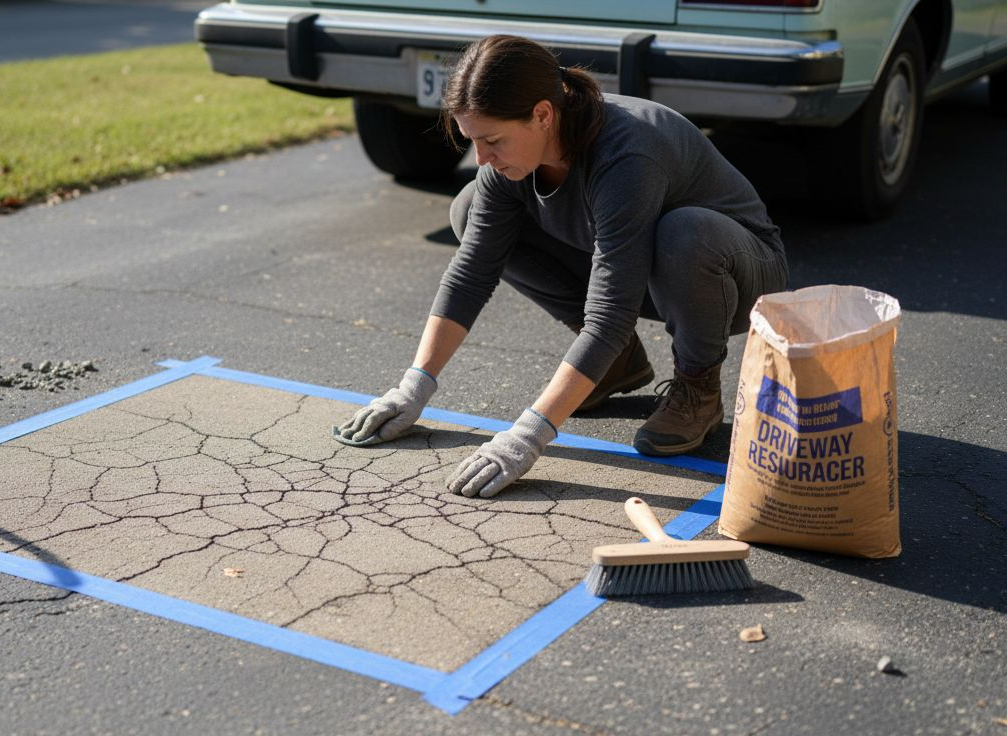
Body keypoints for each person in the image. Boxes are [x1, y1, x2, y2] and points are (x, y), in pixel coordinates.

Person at [333, 34, 788, 499]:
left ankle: (699, 386)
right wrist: (414, 388)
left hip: (733, 273)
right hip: (645, 271)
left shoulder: (627, 153)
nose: (482, 159)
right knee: (469, 210)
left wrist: (528, 437)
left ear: (543, 115)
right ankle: (618, 363)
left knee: (684, 232)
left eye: (492, 140)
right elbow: (471, 273)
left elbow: (610, 314)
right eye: (473, 142)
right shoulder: (513, 155)